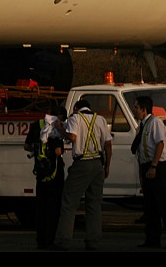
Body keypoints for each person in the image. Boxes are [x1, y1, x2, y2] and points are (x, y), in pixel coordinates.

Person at [54, 97, 112, 251]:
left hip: (82, 164)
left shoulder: (75, 118)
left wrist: (60, 128)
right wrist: (107, 166)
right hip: (98, 163)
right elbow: (108, 144)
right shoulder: (100, 119)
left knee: (69, 203)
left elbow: (72, 137)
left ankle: (63, 241)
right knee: (94, 205)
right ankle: (93, 241)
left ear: (76, 108)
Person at [131, 96, 166, 249]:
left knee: (163, 204)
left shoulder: (155, 123)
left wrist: (153, 166)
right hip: (146, 167)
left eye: (136, 107)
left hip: (157, 167)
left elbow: (159, 144)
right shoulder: (141, 125)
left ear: (143, 109)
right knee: (150, 206)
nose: (134, 110)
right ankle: (152, 240)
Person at [24, 100, 65, 249]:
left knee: (41, 207)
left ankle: (40, 240)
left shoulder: (36, 126)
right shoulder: (55, 127)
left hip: (40, 172)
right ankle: (50, 241)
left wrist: (37, 149)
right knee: (53, 208)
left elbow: (26, 146)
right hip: (54, 172)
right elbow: (59, 151)